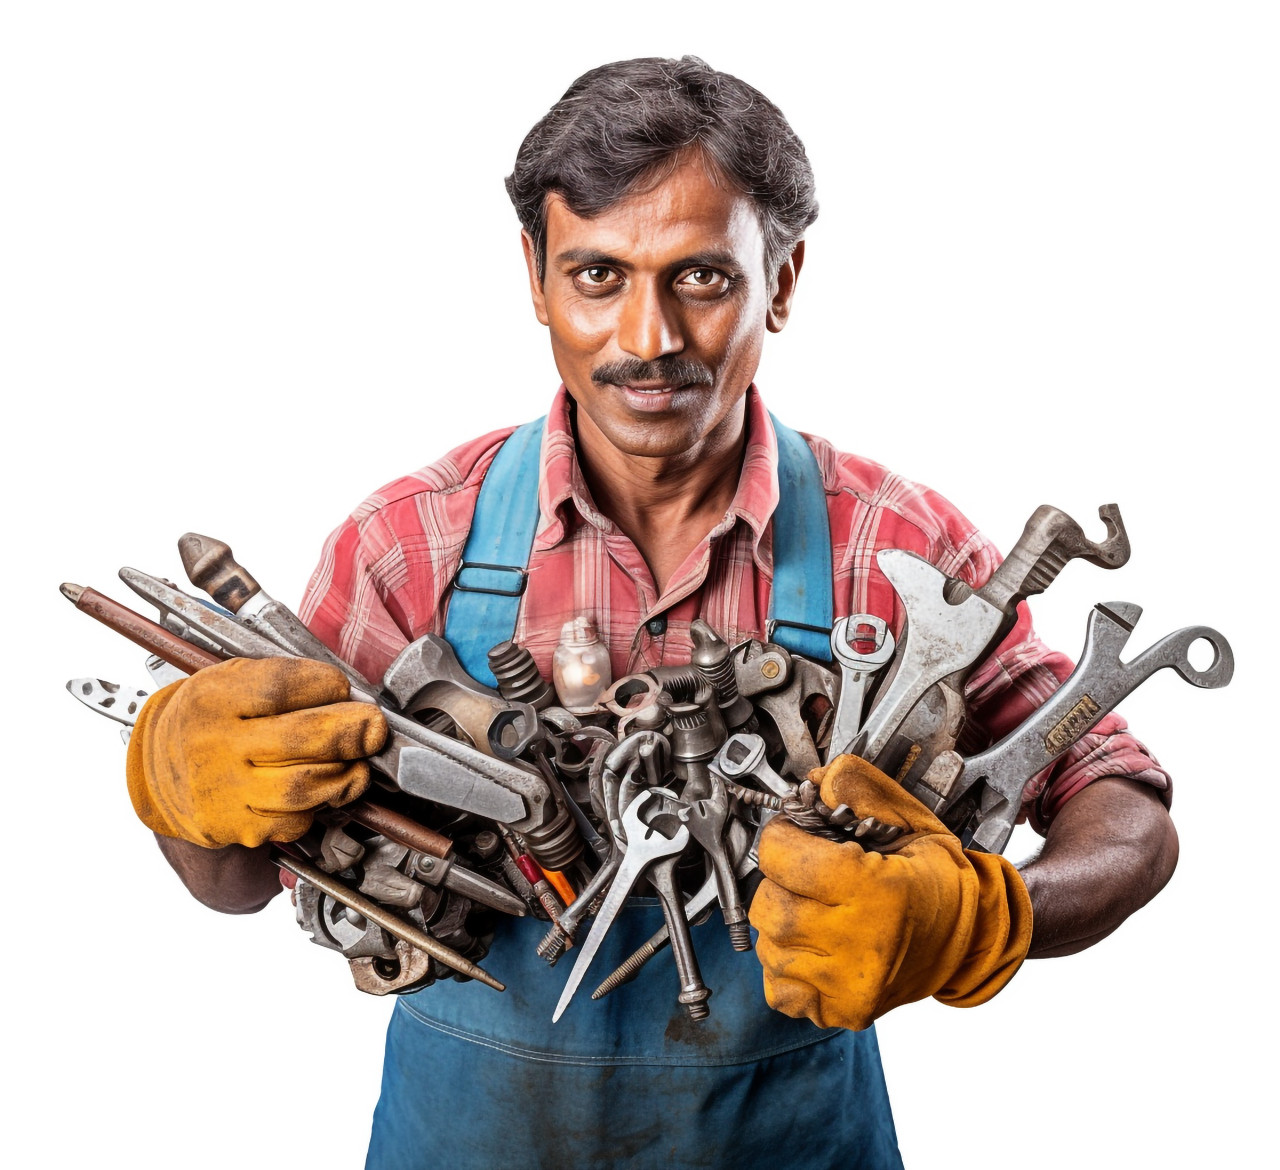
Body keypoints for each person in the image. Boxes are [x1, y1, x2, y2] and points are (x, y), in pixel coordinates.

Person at [123, 57, 1178, 1169]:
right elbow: (238, 883)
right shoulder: (406, 547)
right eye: (595, 275)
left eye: (700, 279)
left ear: (781, 278)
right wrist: (177, 791)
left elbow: (1124, 813)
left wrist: (989, 918)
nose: (646, 339)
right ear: (533, 277)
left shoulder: (895, 547)